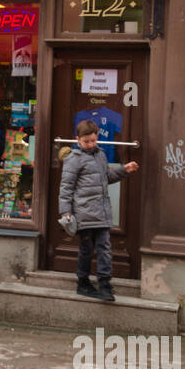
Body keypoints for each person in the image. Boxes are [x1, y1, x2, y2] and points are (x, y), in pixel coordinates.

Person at [57, 119, 139, 301]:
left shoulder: (101, 155)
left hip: (101, 211)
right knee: (86, 249)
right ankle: (83, 282)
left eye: (93, 140)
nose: (90, 144)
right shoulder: (73, 159)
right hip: (84, 212)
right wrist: (66, 212)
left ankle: (104, 286)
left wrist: (124, 170)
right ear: (78, 140)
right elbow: (66, 188)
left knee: (104, 248)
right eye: (86, 141)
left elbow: (106, 178)